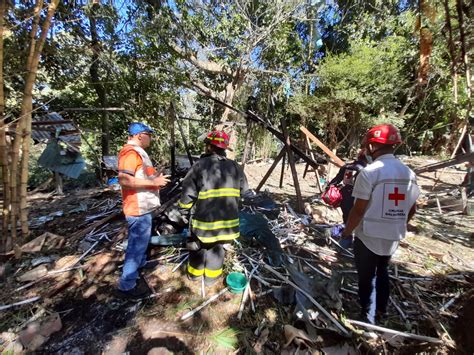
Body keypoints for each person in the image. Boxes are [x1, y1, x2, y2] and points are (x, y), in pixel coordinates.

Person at [340, 124, 419, 323]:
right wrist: (398, 223)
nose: (366, 150)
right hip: (393, 236)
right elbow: (412, 209)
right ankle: (381, 310)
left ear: (373, 147)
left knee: (367, 277)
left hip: (368, 235)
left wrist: (347, 233)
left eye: (368, 146)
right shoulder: (409, 173)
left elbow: (358, 210)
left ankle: (368, 316)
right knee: (382, 271)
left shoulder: (370, 173)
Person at [178, 131, 249, 286]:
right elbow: (245, 191)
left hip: (204, 222)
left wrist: (183, 212)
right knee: (217, 248)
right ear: (224, 149)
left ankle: (194, 276)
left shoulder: (199, 166)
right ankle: (211, 280)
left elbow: (187, 194)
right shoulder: (235, 167)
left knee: (198, 247)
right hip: (227, 222)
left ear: (209, 147)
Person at [116, 122, 170, 298]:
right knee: (135, 245)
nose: (151, 138)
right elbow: (124, 180)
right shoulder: (130, 152)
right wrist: (153, 183)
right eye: (149, 134)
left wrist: (157, 177)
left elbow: (148, 174)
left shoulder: (140, 153)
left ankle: (139, 265)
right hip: (136, 207)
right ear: (140, 135)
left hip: (144, 206)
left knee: (141, 242)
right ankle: (127, 284)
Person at [327, 149, 368, 223]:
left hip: (344, 194)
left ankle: (345, 230)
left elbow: (336, 180)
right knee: (356, 217)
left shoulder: (346, 166)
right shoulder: (365, 170)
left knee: (346, 216)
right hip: (357, 196)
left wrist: (329, 188)